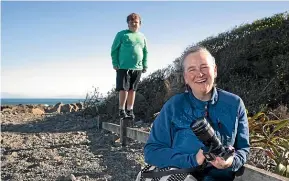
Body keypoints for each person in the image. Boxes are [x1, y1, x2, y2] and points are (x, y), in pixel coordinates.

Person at [143, 46, 250, 181]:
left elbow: (243, 149)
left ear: (215, 70)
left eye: (204, 67)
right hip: (180, 176)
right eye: (192, 69)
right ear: (185, 77)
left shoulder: (234, 104)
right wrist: (192, 159)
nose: (199, 74)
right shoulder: (173, 106)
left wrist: (231, 162)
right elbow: (152, 151)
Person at [111, 13, 148, 119]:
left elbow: (145, 52)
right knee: (123, 89)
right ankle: (121, 110)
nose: (133, 24)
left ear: (139, 24)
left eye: (136, 22)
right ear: (128, 24)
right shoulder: (121, 34)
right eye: (131, 22)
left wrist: (145, 64)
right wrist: (115, 63)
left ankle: (130, 110)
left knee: (133, 89)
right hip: (123, 67)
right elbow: (114, 49)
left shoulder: (142, 36)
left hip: (137, 67)